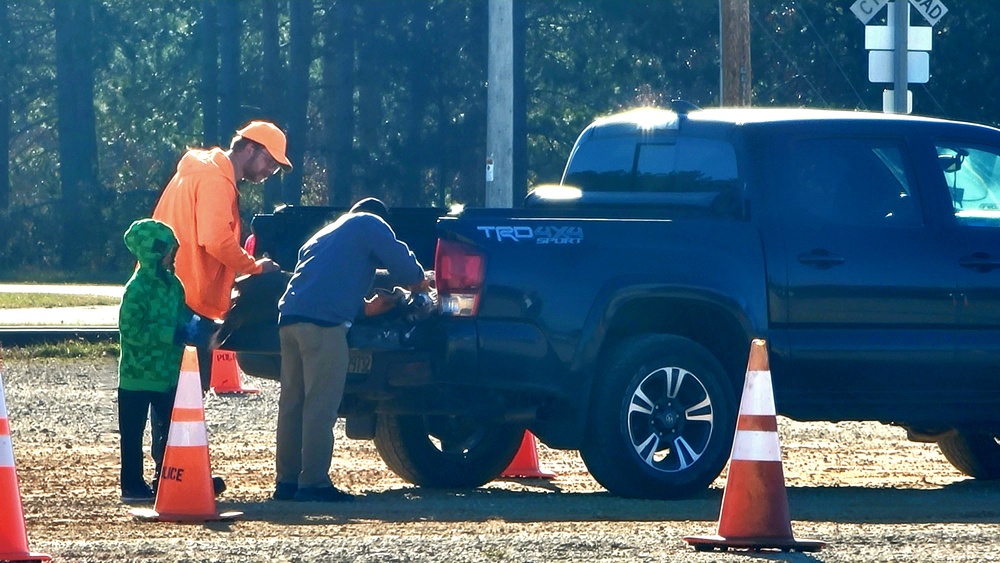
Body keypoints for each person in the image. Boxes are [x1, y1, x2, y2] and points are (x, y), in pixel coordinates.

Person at [273, 197, 426, 502]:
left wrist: (365, 309)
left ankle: (286, 482)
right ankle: (314, 483)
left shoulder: (323, 236)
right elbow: (406, 268)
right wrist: (420, 283)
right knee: (320, 404)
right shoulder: (369, 222)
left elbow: (323, 284)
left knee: (293, 404)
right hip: (323, 327)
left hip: (289, 320)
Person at [152, 120, 285, 392]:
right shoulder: (217, 180)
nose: (270, 171)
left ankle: (165, 436)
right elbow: (215, 240)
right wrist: (255, 269)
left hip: (167, 289)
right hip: (188, 297)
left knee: (165, 386)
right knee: (186, 391)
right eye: (269, 162)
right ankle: (175, 437)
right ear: (249, 148)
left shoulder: (200, 171)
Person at [117, 219, 189, 504]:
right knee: (132, 436)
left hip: (167, 373)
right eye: (168, 249)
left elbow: (181, 316)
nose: (173, 255)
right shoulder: (136, 289)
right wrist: (170, 334)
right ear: (154, 251)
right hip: (136, 375)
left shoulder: (174, 285)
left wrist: (192, 327)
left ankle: (168, 477)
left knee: (168, 431)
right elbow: (131, 331)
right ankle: (132, 484)